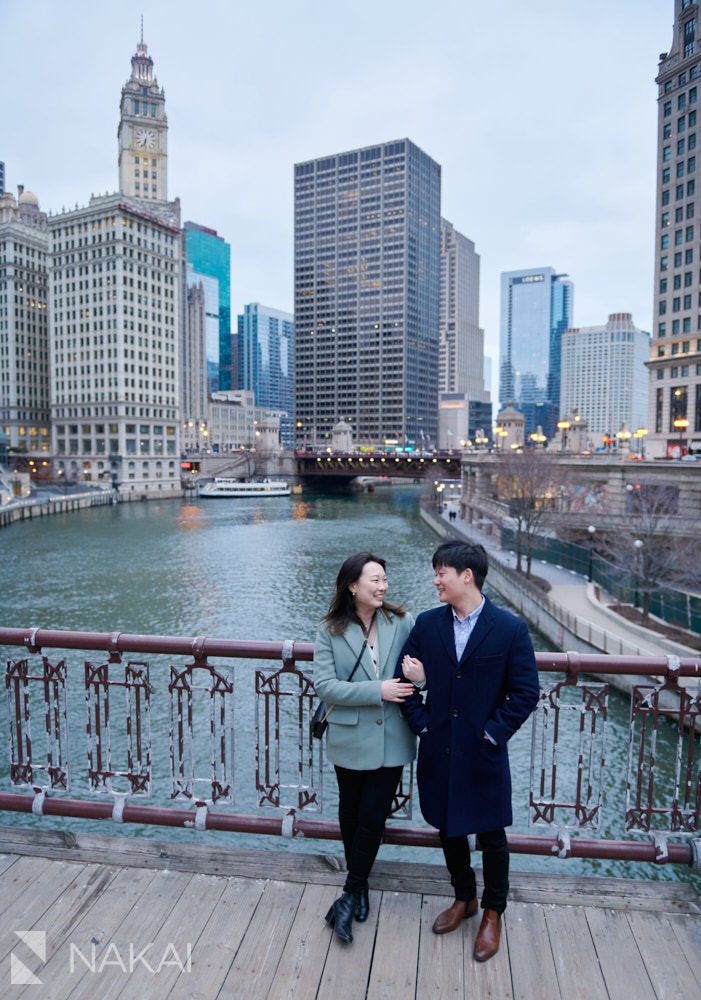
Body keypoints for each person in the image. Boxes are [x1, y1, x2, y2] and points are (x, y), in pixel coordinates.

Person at [397, 540, 539, 962]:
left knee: (492, 835)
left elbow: (526, 692)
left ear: (467, 576)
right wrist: (423, 725)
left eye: (442, 571)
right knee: (449, 828)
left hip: (483, 752)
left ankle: (493, 912)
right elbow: (402, 683)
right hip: (439, 749)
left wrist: (492, 735)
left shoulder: (510, 629)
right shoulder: (426, 624)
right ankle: (465, 898)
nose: (435, 579)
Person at [313, 552, 416, 944]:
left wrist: (418, 680)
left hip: (393, 737)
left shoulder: (402, 621)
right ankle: (358, 885)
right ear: (352, 585)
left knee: (373, 815)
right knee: (350, 811)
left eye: (385, 579)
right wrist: (379, 690)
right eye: (374, 579)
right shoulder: (330, 630)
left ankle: (352, 889)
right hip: (349, 735)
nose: (383, 586)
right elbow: (326, 686)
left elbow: (419, 671)